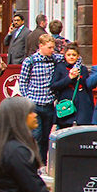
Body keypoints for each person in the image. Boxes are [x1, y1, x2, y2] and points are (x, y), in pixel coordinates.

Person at [18, 33, 59, 162]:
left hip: (48, 104)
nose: (52, 50)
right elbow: (23, 82)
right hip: (34, 104)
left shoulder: (54, 59)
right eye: (49, 47)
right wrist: (27, 99)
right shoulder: (30, 61)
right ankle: (33, 162)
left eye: (53, 47)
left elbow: (75, 59)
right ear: (41, 46)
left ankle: (42, 162)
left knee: (46, 137)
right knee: (36, 135)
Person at [50, 42, 93, 128]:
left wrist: (91, 106)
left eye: (74, 55)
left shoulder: (83, 69)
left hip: (82, 107)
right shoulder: (60, 67)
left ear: (78, 56)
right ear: (65, 55)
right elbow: (54, 86)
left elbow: (87, 87)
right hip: (66, 106)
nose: (71, 57)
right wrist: (69, 78)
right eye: (69, 55)